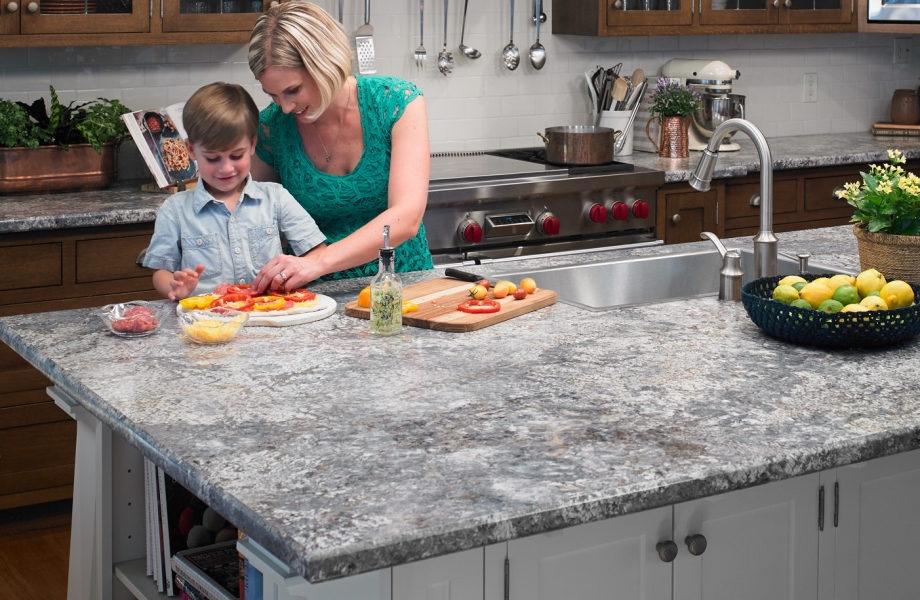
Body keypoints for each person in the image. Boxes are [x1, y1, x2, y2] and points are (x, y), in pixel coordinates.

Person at [246, 2, 432, 293]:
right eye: (273, 95)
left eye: (293, 90)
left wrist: (318, 262)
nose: (285, 107)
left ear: (326, 64)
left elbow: (406, 217)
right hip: (314, 297)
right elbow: (250, 214)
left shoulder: (395, 103)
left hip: (401, 286)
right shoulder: (272, 127)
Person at [143, 82, 327, 300]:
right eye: (213, 158)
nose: (226, 168)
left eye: (236, 156)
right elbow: (160, 271)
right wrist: (174, 287)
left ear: (252, 145)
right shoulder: (174, 210)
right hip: (206, 316)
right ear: (191, 149)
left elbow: (317, 253)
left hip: (268, 311)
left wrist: (290, 275)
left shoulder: (276, 198)